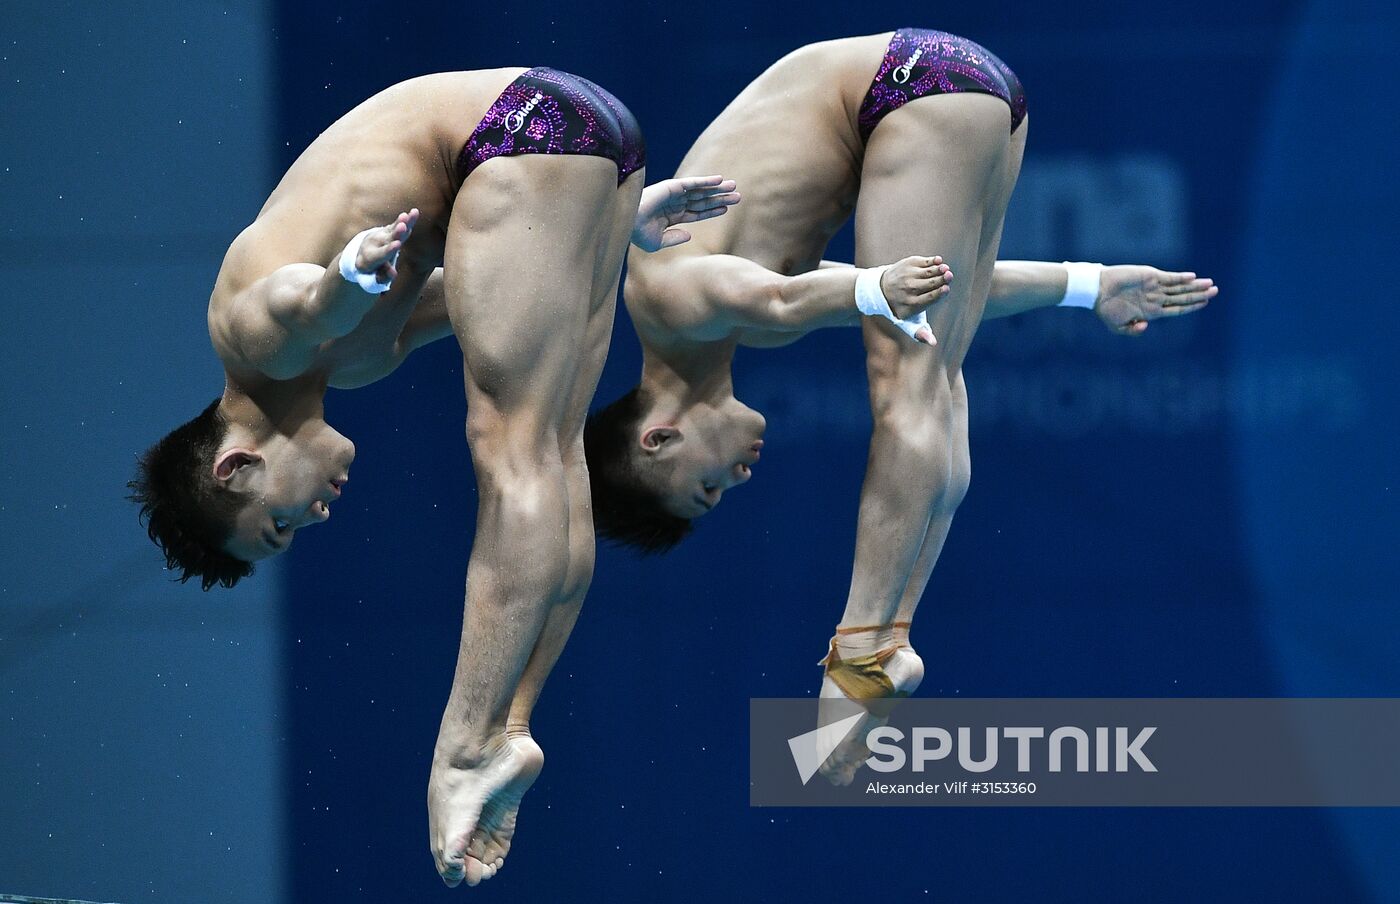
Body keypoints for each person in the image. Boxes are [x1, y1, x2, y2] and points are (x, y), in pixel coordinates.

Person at [127, 67, 738, 885]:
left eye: (280, 522)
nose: (316, 517)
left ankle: (463, 749)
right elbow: (500, 281)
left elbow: (300, 302)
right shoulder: (360, 363)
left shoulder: (248, 343)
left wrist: (343, 279)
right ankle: (509, 727)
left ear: (237, 465)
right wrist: (607, 225)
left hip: (513, 128)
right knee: (555, 455)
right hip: (580, 141)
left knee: (516, 449)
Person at [580, 31, 1217, 781]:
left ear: (657, 439)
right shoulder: (737, 329)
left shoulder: (662, 298)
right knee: (938, 378)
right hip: (968, 90)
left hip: (907, 83)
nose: (737, 480)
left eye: (706, 487)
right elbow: (928, 283)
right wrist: (1087, 284)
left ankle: (859, 655)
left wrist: (870, 288)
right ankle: (890, 637)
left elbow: (784, 298)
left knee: (906, 383)